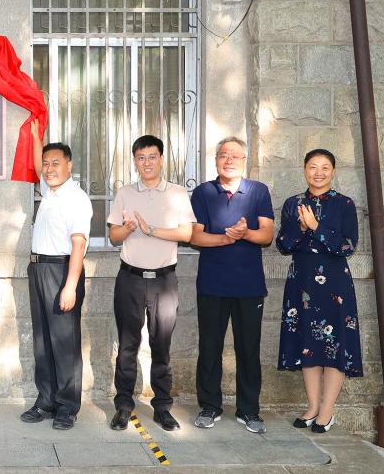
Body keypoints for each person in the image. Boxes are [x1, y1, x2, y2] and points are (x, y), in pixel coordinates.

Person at [106, 135, 195, 432]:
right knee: (127, 345)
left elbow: (186, 234)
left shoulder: (177, 193)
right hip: (130, 278)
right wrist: (128, 228)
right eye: (141, 157)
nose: (147, 162)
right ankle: (123, 406)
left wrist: (151, 229)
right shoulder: (125, 193)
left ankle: (162, 407)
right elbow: (114, 236)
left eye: (152, 156)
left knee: (161, 345)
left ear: (161, 159)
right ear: (135, 161)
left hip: (164, 281)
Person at [189, 136, 275, 434]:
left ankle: (249, 410)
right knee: (209, 347)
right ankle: (209, 406)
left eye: (235, 156)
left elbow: (266, 235)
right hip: (212, 284)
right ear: (216, 160)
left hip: (249, 286)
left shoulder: (258, 191)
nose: (229, 160)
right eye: (223, 155)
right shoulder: (203, 192)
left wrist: (245, 233)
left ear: (244, 161)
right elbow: (195, 236)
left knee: (249, 349)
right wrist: (227, 238)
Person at [276, 149, 363, 433]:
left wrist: (316, 226)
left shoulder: (345, 204)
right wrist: (302, 228)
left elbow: (348, 246)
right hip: (301, 283)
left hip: (335, 284)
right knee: (307, 343)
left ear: (333, 171)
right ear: (305, 169)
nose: (319, 173)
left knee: (335, 343)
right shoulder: (293, 204)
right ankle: (313, 406)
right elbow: (283, 245)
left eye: (325, 167)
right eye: (313, 166)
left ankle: (327, 410)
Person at [19, 119, 92, 430]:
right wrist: (37, 135)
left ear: (69, 165)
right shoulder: (50, 192)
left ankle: (67, 407)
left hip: (62, 270)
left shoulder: (76, 198)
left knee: (64, 342)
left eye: (55, 163)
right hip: (38, 269)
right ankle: (46, 400)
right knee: (43, 341)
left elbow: (79, 245)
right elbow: (38, 166)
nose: (48, 169)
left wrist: (70, 286)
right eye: (46, 163)